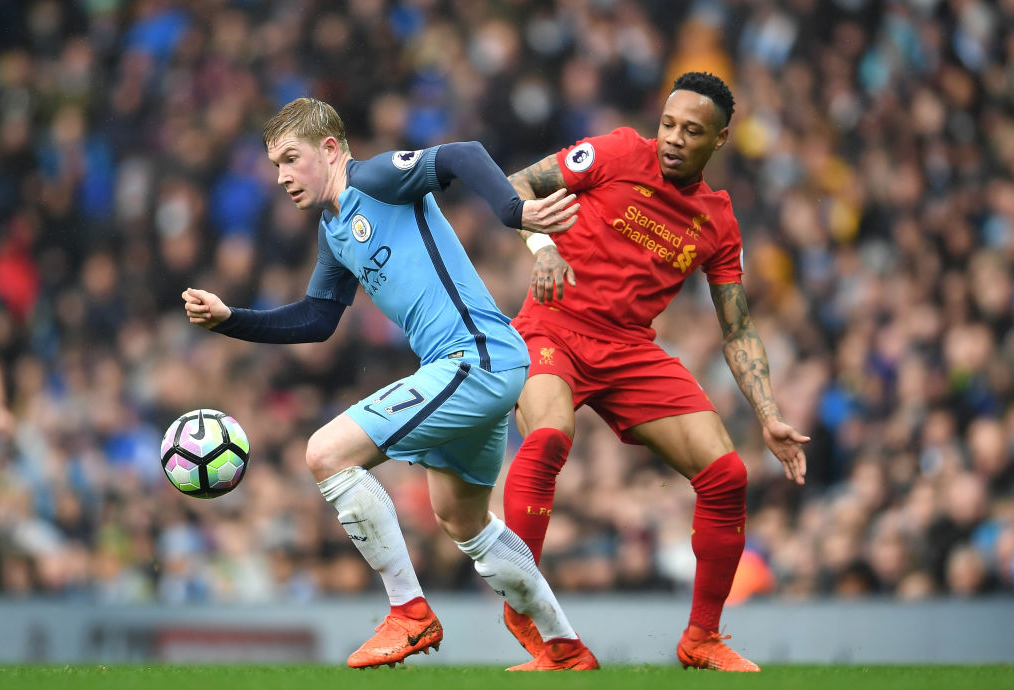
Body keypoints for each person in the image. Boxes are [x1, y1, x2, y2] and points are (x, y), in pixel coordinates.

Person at [182, 97, 598, 671]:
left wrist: (514, 211)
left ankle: (408, 611)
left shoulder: (374, 179)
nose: (281, 177)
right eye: (275, 165)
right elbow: (317, 319)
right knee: (462, 520)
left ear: (330, 149)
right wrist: (232, 319)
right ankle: (564, 647)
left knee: (325, 453)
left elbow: (462, 153)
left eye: (290, 159)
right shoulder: (333, 231)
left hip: (475, 357)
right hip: (470, 367)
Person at [500, 72, 810, 672]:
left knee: (727, 474)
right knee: (549, 437)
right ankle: (523, 603)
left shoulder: (717, 221)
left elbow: (738, 328)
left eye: (691, 131)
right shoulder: (616, 152)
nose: (673, 139)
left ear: (719, 140)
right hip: (553, 325)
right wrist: (544, 248)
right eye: (668, 124)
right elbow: (517, 185)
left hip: (629, 349)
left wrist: (769, 415)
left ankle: (703, 638)